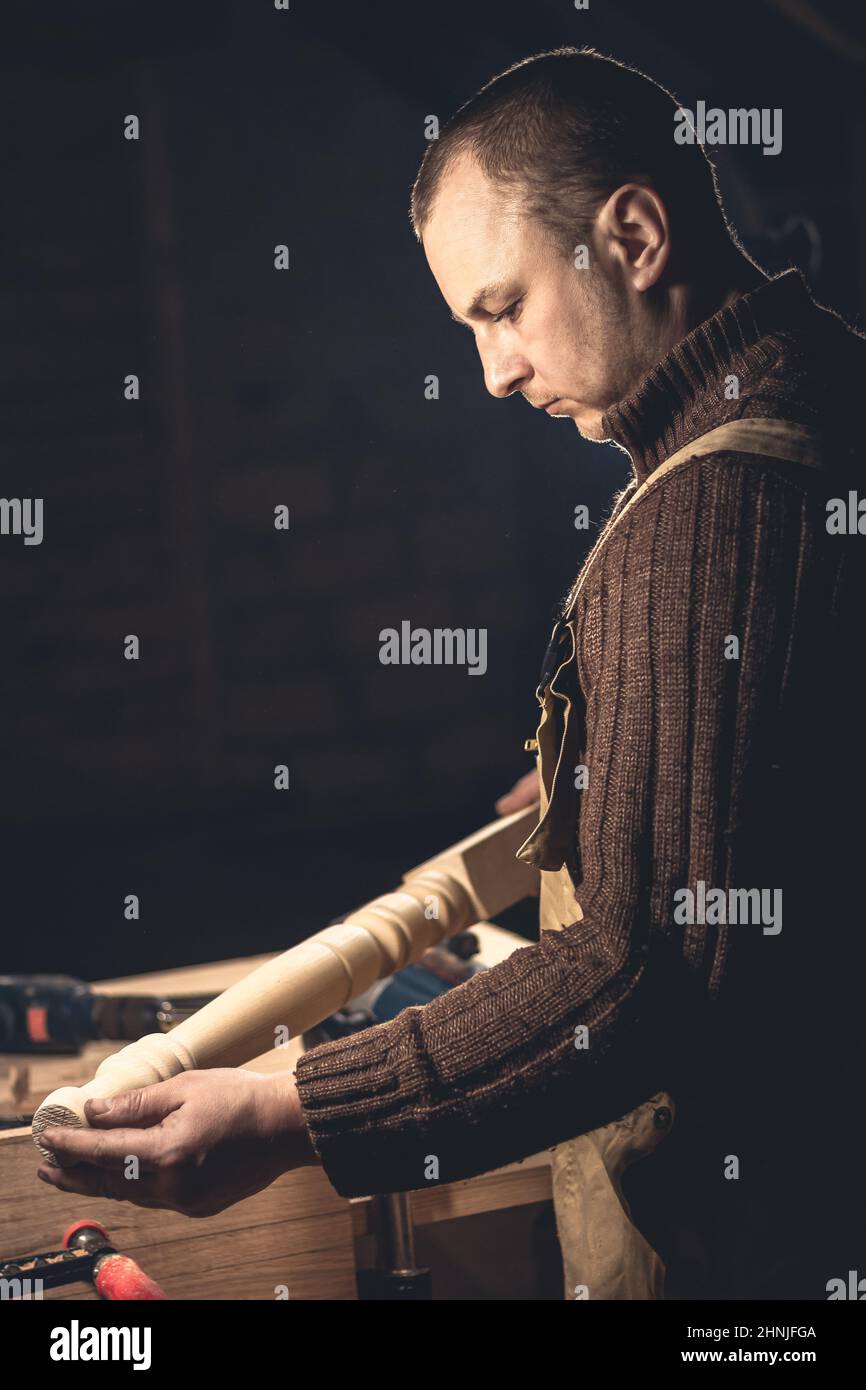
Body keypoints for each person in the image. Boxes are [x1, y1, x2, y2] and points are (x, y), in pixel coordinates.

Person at [37, 47, 866, 1300]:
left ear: (632, 234)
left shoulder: (715, 504)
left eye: (502, 308)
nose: (494, 373)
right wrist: (638, 783)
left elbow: (642, 973)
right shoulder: (829, 382)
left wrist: (290, 1115)